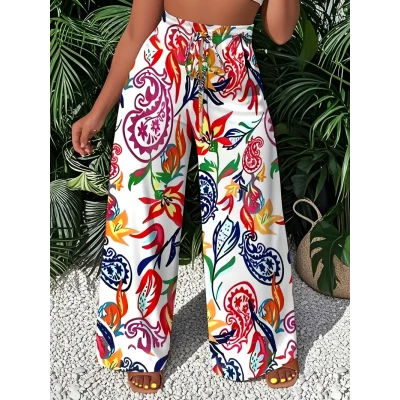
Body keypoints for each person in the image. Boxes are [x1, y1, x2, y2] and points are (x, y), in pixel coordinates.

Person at [72, 0, 300, 394]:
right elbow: (137, 30)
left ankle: (259, 342)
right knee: (140, 205)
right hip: (162, 66)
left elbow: (280, 32)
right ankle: (138, 342)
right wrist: (98, 111)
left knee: (248, 209)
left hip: (234, 72)